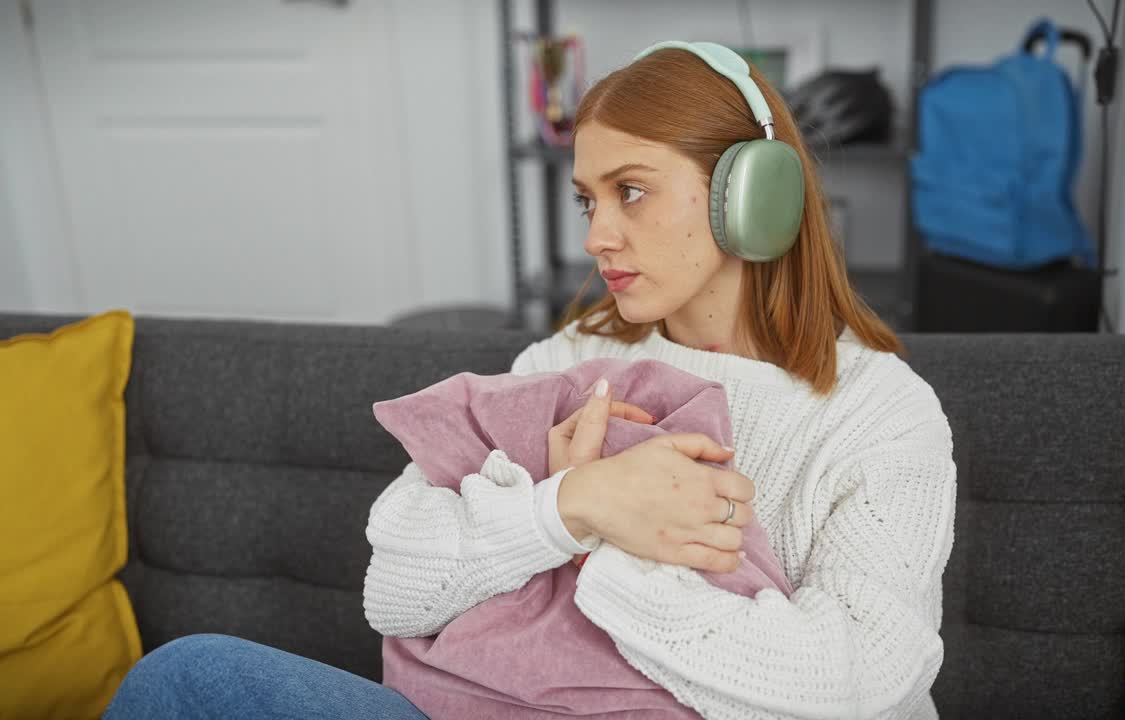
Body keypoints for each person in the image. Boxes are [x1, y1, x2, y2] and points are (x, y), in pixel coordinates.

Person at [105, 41, 955, 720]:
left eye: (631, 192)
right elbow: (395, 591)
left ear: (754, 194)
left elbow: (863, 682)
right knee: (188, 679)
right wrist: (572, 505)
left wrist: (618, 558)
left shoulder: (877, 414)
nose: (597, 236)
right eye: (589, 200)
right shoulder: (565, 362)